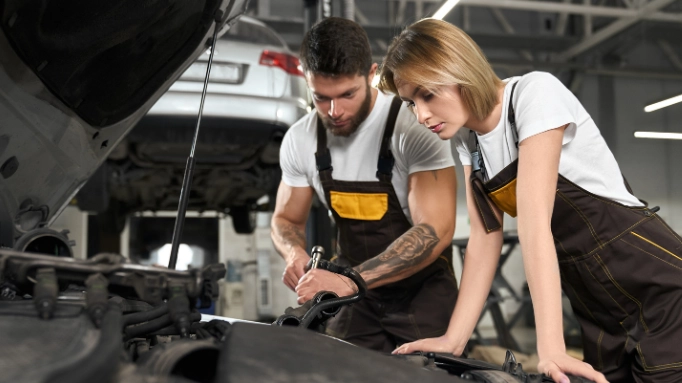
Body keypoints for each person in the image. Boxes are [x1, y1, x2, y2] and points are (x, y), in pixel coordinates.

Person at [377, 17, 682, 383]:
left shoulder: (534, 94)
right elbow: (484, 237)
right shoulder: (467, 140)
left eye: (428, 94)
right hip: (596, 305)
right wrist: (453, 339)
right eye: (411, 102)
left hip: (653, 284)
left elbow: (534, 223)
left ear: (459, 69)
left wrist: (551, 347)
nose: (421, 115)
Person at [271, 17, 459, 353]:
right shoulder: (300, 139)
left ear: (371, 74)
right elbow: (286, 219)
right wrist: (293, 253)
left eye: (347, 94)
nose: (334, 111)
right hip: (356, 297)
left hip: (422, 293)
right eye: (321, 98)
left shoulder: (412, 125)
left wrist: (350, 280)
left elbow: (435, 229)